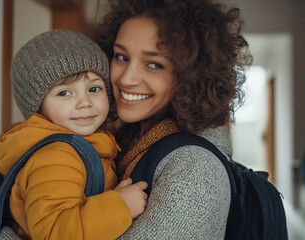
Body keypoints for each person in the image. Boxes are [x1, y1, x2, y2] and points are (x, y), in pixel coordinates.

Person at [94, 0, 252, 238]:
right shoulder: (129, 137)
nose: (126, 78)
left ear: (192, 76)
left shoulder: (195, 169)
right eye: (121, 56)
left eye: (154, 64)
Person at [0, 29, 147, 240]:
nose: (85, 102)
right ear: (38, 107)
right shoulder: (55, 157)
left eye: (94, 89)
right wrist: (120, 206)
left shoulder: (87, 141)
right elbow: (55, 232)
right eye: (64, 93)